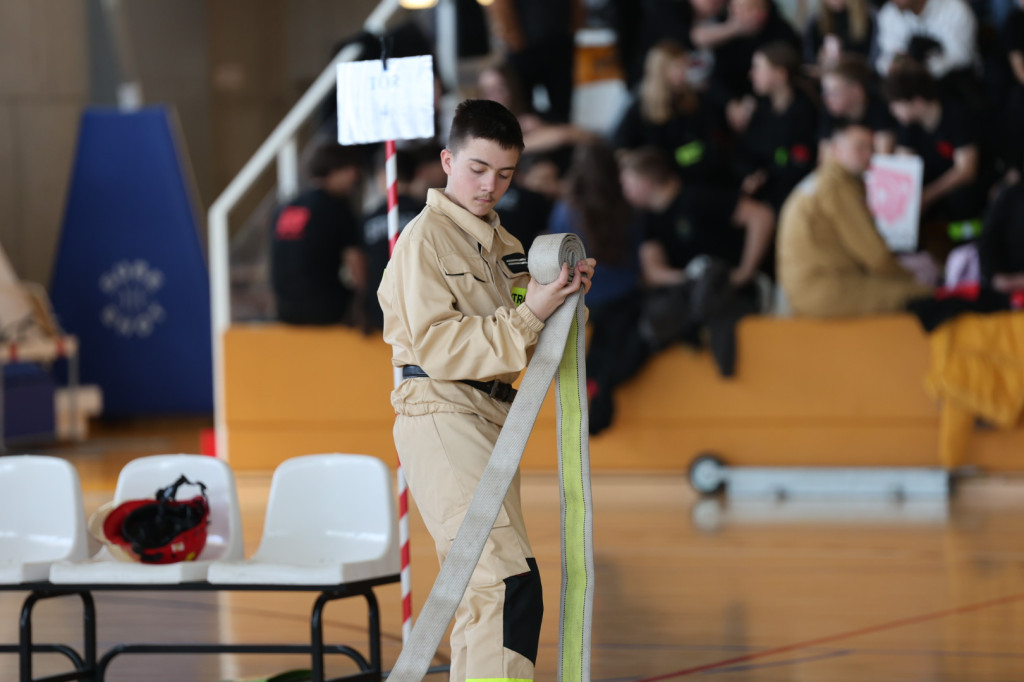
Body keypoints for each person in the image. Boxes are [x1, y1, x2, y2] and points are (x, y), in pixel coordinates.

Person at [377, 99, 596, 682]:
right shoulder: (422, 242)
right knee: (506, 583)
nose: (489, 185)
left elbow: (532, 332)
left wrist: (565, 296)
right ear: (447, 160)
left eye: (504, 173)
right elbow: (440, 348)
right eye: (477, 168)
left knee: (483, 592)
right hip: (440, 411)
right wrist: (532, 315)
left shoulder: (507, 248)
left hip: (492, 418)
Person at [777, 122, 933, 316]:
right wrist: (911, 278)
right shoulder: (836, 187)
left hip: (808, 288)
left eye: (871, 147)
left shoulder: (823, 181)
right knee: (927, 294)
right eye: (859, 148)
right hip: (824, 290)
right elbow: (875, 256)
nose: (868, 155)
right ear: (835, 150)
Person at [549, 141, 647, 433]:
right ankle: (600, 387)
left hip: (583, 297)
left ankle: (591, 394)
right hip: (624, 298)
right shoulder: (627, 207)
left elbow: (556, 257)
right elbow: (638, 256)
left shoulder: (566, 210)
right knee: (615, 343)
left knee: (594, 351)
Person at [612, 40, 734, 187]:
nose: (684, 72)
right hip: (658, 182)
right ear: (661, 71)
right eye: (678, 67)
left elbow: (706, 145)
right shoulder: (640, 107)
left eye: (685, 65)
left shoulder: (695, 100)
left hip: (695, 176)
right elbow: (621, 149)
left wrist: (677, 158)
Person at [270, 143, 365, 326]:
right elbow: (356, 264)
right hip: (324, 310)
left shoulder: (285, 208)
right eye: (352, 170)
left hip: (284, 310)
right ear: (336, 170)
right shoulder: (337, 208)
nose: (356, 178)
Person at [883, 64, 984, 222]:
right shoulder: (908, 124)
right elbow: (902, 166)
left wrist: (927, 196)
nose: (892, 110)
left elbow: (966, 171)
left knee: (961, 197)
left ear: (917, 102)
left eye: (897, 104)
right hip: (934, 182)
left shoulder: (957, 114)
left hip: (965, 188)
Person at [729, 41, 819, 212]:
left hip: (789, 199)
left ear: (779, 74)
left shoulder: (805, 112)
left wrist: (764, 177)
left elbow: (796, 163)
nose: (751, 74)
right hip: (759, 191)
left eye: (757, 68)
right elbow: (743, 149)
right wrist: (750, 173)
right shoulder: (761, 107)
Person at [486, 0, 586, 123]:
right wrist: (513, 38)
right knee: (520, 109)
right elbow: (501, 7)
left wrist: (574, 27)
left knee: (562, 108)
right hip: (523, 49)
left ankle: (562, 139)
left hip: (560, 44)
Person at [361, 148, 424, 331]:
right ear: (416, 174)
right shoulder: (429, 215)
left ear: (383, 174)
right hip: (423, 310)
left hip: (380, 311)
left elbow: (360, 266)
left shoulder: (369, 219)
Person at [874, 0, 978, 80]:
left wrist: (922, 69)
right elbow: (895, 53)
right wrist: (899, 64)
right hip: (909, 85)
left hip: (954, 83)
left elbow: (962, 57)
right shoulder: (889, 13)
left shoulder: (954, 8)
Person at [818, 55, 898, 157]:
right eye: (825, 92)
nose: (827, 99)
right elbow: (824, 160)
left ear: (857, 91)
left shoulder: (881, 106)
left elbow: (883, 158)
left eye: (834, 92)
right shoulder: (830, 108)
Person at [803, 0, 875, 69]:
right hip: (823, 72)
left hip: (855, 74)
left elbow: (870, 59)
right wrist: (820, 59)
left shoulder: (867, 19)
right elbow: (808, 58)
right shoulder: (816, 20)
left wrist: (846, 59)